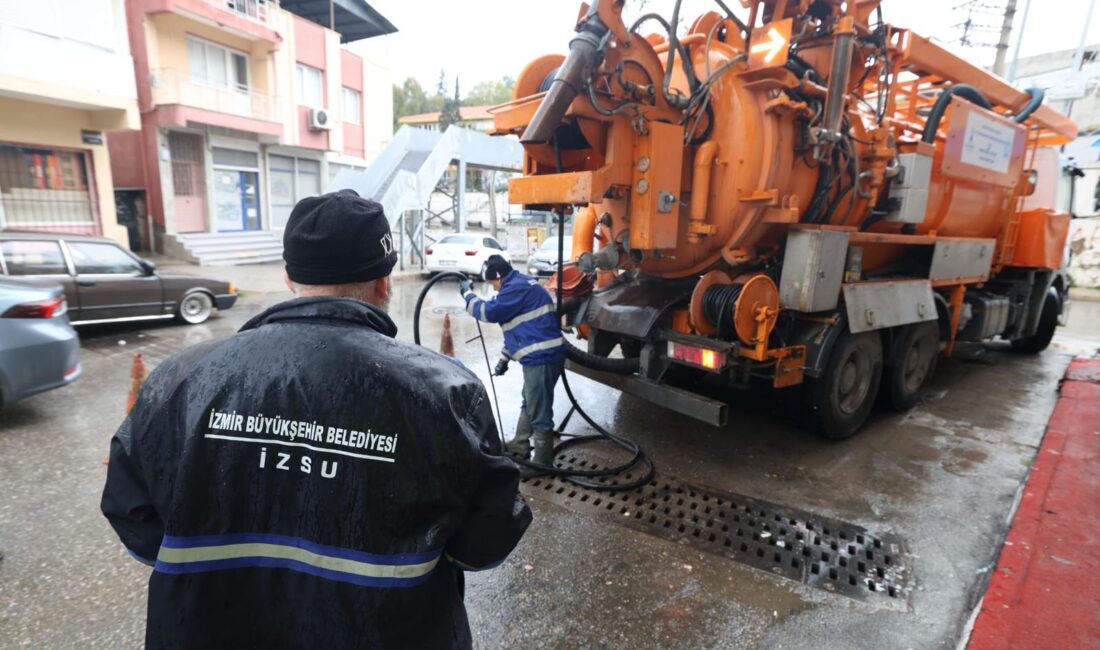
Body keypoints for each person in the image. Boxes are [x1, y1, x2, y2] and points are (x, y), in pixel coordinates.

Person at [101, 190, 531, 649]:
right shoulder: (446, 392)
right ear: (383, 283)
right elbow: (488, 536)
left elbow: (132, 513)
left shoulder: (179, 381)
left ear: (290, 278)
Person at [460, 255, 565, 474]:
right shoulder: (520, 283)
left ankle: (543, 463)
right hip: (543, 355)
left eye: (492, 283)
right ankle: (520, 444)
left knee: (539, 410)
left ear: (499, 277)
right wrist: (504, 358)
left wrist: (468, 295)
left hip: (541, 359)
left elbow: (488, 312)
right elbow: (521, 327)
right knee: (530, 401)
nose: (494, 288)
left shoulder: (514, 289)